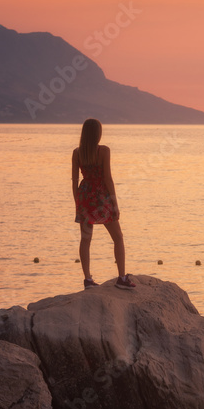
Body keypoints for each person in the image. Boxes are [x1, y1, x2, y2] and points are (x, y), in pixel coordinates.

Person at [72, 118, 136, 290]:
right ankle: (122, 277)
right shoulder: (104, 151)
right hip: (101, 196)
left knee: (85, 240)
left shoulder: (77, 152)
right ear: (97, 134)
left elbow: (75, 180)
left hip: (84, 195)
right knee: (118, 237)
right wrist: (114, 203)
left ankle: (87, 280)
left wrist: (76, 201)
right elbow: (107, 178)